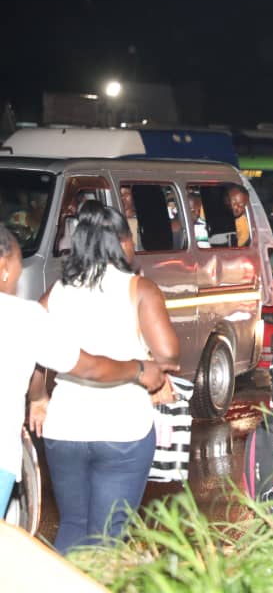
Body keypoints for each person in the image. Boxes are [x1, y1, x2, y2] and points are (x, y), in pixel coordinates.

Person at [25, 201, 179, 554]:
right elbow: (169, 353)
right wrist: (146, 361)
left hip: (64, 428)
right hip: (121, 429)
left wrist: (38, 398)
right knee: (108, 537)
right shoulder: (139, 289)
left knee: (74, 525)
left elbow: (33, 349)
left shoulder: (57, 293)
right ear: (121, 243)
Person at [119, 185, 142, 251]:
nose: (123, 198)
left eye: (126, 195)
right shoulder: (115, 218)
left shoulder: (141, 218)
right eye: (121, 195)